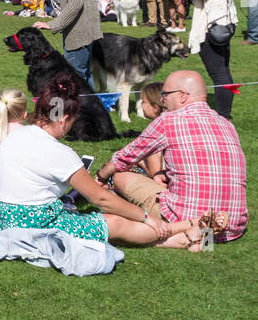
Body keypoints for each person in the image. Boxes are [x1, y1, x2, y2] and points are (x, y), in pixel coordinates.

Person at [0, 77, 207, 247]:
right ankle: (186, 227)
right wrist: (146, 217)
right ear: (64, 120)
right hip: (30, 225)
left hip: (2, 219)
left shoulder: (18, 135)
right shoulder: (59, 152)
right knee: (114, 221)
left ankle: (184, 240)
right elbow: (101, 199)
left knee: (103, 226)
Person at [95, 70, 248, 246]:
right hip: (233, 223)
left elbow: (125, 156)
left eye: (165, 94)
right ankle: (206, 235)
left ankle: (188, 232)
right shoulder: (227, 124)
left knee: (121, 176)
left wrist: (101, 176)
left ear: (182, 96)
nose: (162, 100)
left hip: (185, 215)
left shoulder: (169, 120)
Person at [177, 0, 239, 119]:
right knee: (223, 70)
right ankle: (224, 114)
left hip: (213, 23)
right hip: (223, 20)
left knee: (218, 72)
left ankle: (223, 116)